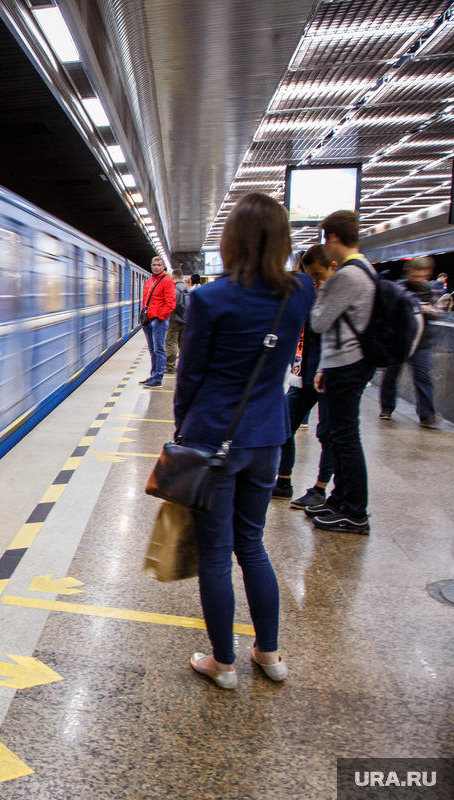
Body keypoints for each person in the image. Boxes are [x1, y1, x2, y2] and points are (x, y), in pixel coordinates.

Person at [175, 193, 314, 689]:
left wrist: (181, 426)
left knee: (215, 554)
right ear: (281, 240)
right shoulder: (300, 290)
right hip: (268, 437)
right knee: (252, 545)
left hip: (214, 437)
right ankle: (270, 655)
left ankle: (223, 663)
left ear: (232, 239)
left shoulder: (210, 298)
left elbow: (190, 375)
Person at [307, 210, 375, 535]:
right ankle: (339, 501)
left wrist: (322, 287)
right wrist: (323, 366)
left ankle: (356, 512)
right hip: (344, 363)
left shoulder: (348, 276)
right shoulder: (365, 270)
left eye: (325, 240)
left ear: (333, 238)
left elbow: (320, 322)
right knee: (339, 435)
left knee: (346, 438)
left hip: (348, 365)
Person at [272, 245, 336, 508]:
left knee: (328, 434)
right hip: (304, 373)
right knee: (284, 426)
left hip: (329, 374)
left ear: (333, 266)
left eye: (318, 275)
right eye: (311, 276)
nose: (315, 281)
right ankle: (283, 481)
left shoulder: (336, 293)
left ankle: (320, 489)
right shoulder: (311, 291)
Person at [380, 256, 439, 428]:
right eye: (416, 276)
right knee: (391, 375)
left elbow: (438, 311)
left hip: (421, 342)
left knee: (422, 376)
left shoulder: (431, 289)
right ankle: (387, 408)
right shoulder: (398, 288)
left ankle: (427, 415)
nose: (419, 280)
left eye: (423, 276)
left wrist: (428, 309)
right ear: (409, 272)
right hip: (399, 341)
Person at [140, 256, 176, 387]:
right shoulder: (150, 281)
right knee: (152, 349)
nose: (156, 267)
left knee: (159, 349)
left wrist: (160, 317)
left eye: (159, 265)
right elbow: (145, 300)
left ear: (163, 267)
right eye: (154, 264)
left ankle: (158, 378)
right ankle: (153, 375)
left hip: (158, 320)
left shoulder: (167, 281)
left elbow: (171, 303)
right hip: (148, 320)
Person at [164, 268, 191, 373]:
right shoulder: (187, 289)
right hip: (186, 319)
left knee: (171, 342)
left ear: (173, 277)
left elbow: (171, 305)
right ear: (182, 276)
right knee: (183, 343)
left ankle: (170, 367)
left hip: (174, 319)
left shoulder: (174, 288)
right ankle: (185, 366)